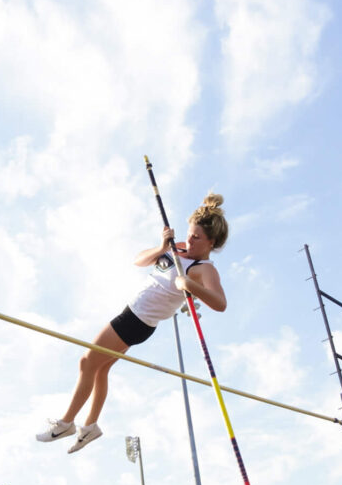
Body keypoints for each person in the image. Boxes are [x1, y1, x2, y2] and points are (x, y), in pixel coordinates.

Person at [36, 194, 229, 454]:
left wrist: (190, 285)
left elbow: (220, 303)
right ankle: (91, 426)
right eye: (190, 234)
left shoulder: (204, 269)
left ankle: (66, 422)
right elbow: (139, 260)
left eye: (197, 237)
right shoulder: (178, 247)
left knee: (86, 362)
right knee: (100, 369)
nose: (190, 240)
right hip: (133, 314)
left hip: (137, 320)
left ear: (211, 242)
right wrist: (162, 247)